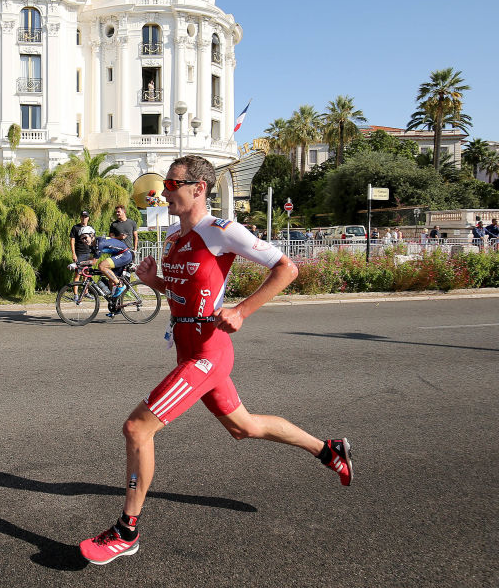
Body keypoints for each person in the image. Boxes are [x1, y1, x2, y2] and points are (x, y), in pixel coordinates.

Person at [79, 155, 352, 566]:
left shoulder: (222, 230)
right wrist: (156, 282)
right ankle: (328, 450)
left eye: (172, 184)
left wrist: (242, 310)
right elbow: (183, 287)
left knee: (137, 428)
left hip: (209, 351)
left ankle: (126, 531)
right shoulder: (172, 235)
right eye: (165, 184)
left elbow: (286, 267)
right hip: (186, 346)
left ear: (198, 188)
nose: (162, 191)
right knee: (244, 427)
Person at [76, 230, 133, 306]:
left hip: (124, 254)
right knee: (111, 282)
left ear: (91, 235)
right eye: (82, 239)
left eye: (85, 237)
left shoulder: (99, 244)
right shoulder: (93, 245)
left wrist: (77, 263)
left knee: (102, 265)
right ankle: (116, 306)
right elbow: (90, 260)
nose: (84, 240)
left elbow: (93, 262)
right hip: (118, 255)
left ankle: (120, 285)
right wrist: (81, 266)